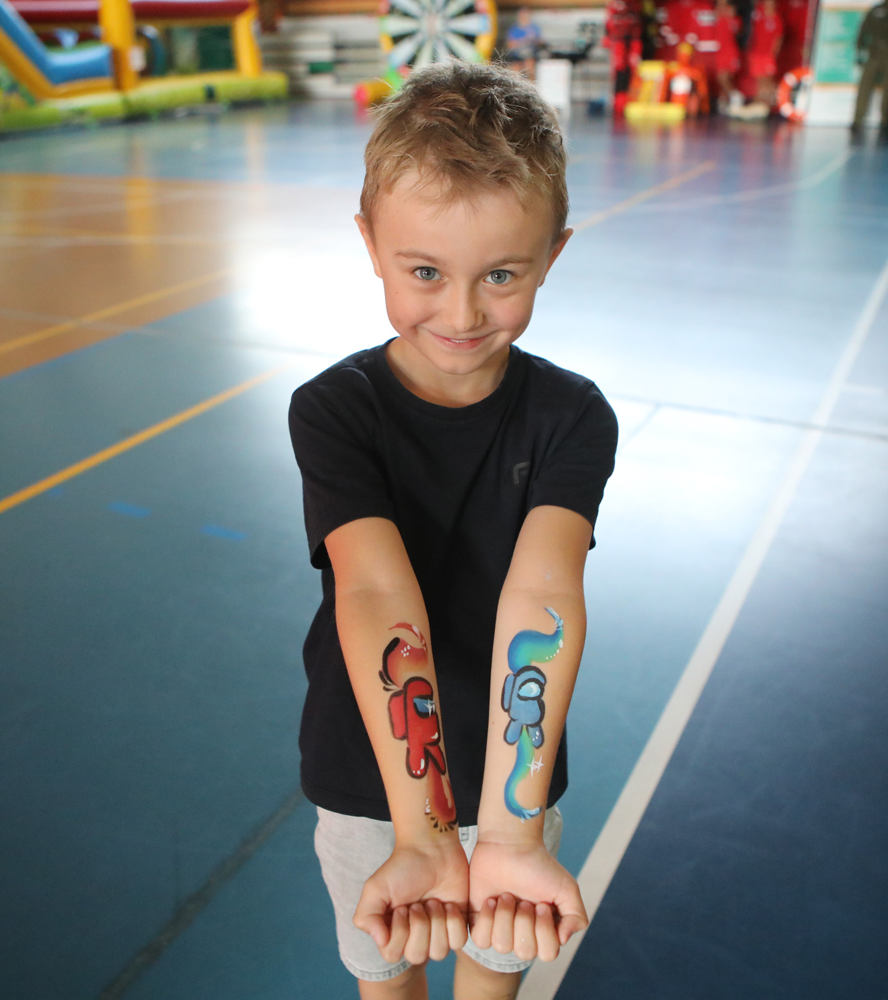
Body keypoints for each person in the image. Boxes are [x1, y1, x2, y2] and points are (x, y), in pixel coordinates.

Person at [288, 62, 618, 1000]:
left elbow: (544, 593)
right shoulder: (335, 412)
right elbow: (375, 591)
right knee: (390, 976)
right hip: (373, 787)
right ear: (370, 242)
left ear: (552, 255)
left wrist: (507, 832)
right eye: (425, 272)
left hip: (514, 779)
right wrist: (422, 833)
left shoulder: (572, 418)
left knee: (490, 979)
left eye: (501, 275)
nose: (464, 313)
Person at [852, 0, 888, 128]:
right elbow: (863, 30)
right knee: (874, 88)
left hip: (884, 53)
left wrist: (860, 48)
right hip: (881, 53)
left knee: (882, 90)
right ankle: (868, 119)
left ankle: (874, 120)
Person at [748, 0, 786, 106]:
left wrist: (773, 53)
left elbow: (779, 38)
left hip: (767, 55)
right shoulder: (759, 14)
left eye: (771, 4)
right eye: (767, 4)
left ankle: (776, 101)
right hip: (757, 53)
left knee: (767, 79)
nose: (768, 6)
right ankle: (760, 101)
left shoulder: (777, 19)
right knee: (759, 79)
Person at [504, 7, 543, 79]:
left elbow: (539, 41)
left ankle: (531, 82)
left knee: (530, 66)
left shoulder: (534, 28)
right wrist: (522, 42)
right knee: (515, 69)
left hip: (530, 52)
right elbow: (510, 44)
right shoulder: (514, 28)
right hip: (517, 53)